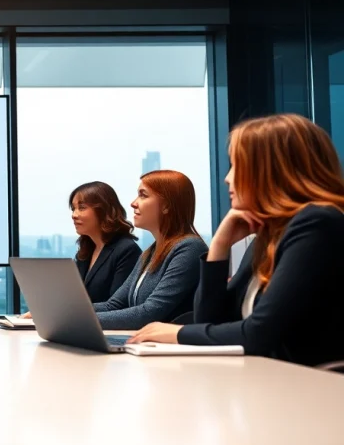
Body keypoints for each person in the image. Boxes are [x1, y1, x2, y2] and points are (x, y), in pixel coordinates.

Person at [131, 115, 344, 367]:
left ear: (271, 169)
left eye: (236, 166)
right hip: (273, 383)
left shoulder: (318, 223)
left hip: (314, 391)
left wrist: (176, 333)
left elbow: (259, 333)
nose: (227, 178)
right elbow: (211, 321)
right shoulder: (268, 237)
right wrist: (220, 246)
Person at [89, 170, 207, 329]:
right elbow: (114, 305)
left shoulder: (190, 248)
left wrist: (80, 321)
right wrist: (71, 312)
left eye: (143, 195)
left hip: (172, 350)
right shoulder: (151, 252)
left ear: (166, 205)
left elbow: (149, 314)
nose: (133, 203)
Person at [68, 181, 142, 303]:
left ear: (103, 210)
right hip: (79, 320)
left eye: (81, 208)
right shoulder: (86, 250)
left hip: (104, 321)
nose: (74, 215)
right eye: (73, 208)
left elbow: (118, 305)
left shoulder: (126, 250)